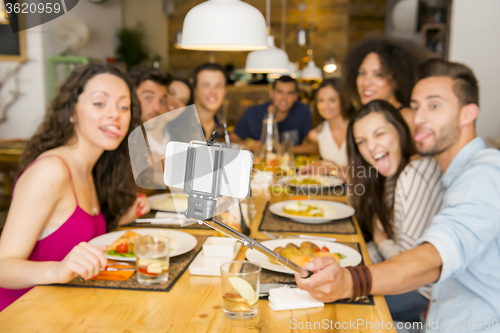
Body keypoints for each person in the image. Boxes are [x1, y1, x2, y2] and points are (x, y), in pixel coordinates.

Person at [295, 59, 500, 331]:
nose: (420, 117)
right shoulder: (448, 173)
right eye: (416, 107)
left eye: (434, 105)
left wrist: (351, 281)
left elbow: (432, 262)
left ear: (467, 114)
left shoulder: (485, 172)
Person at [0, 64, 151, 312]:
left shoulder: (91, 169)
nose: (116, 114)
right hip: (21, 315)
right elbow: (3, 268)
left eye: (124, 107)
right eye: (100, 103)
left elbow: (73, 240)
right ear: (72, 111)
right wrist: (58, 269)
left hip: (65, 309)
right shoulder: (51, 171)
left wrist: (123, 219)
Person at [347, 99, 442, 322]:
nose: (370, 147)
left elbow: (409, 266)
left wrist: (380, 240)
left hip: (422, 293)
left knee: (341, 306)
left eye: (379, 134)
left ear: (399, 132)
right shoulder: (391, 175)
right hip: (408, 282)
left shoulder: (415, 173)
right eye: (361, 141)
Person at [342, 36, 428, 132]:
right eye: (362, 73)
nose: (366, 82)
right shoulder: (362, 118)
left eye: (378, 75)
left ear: (397, 81)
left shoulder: (408, 119)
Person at [231, 75, 312, 153]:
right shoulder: (252, 112)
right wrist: (251, 144)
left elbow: (314, 146)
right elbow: (232, 140)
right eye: (280, 92)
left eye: (290, 93)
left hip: (291, 165)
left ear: (296, 97)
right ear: (271, 93)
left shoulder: (303, 111)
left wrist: (284, 149)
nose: (284, 98)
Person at [307, 78, 349, 166]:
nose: (326, 106)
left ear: (343, 100)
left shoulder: (358, 129)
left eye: (332, 100)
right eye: (321, 100)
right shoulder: (316, 134)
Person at [192, 62, 228, 141]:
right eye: (206, 85)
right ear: (195, 90)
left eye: (219, 86)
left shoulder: (221, 123)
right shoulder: (180, 122)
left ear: (225, 91)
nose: (213, 92)